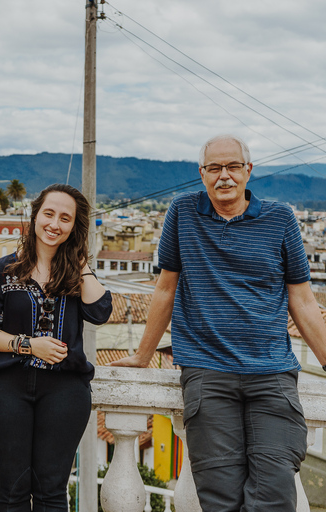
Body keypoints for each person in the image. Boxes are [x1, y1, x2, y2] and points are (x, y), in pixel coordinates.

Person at [112, 134, 326, 511]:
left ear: (248, 171)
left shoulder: (281, 218)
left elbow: (303, 299)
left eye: (232, 167)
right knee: (219, 497)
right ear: (202, 173)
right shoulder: (183, 212)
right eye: (214, 168)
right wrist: (143, 355)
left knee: (274, 494)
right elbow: (165, 290)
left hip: (271, 373)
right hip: (207, 373)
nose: (223, 176)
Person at [0, 183, 112, 512]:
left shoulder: (77, 276)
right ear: (35, 216)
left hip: (64, 390)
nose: (54, 224)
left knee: (51, 492)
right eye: (48, 214)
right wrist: (29, 345)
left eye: (65, 218)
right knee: (12, 492)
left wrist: (80, 263)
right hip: (5, 387)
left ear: (74, 227)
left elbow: (101, 312)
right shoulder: (2, 271)